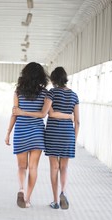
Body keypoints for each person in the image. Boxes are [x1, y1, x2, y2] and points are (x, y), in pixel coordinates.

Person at [13, 66, 79, 210]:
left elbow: (50, 113)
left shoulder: (51, 93)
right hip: (65, 133)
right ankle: (63, 192)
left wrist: (9, 130)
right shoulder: (73, 95)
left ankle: (53, 200)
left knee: (52, 167)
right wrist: (73, 132)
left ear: (53, 79)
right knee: (63, 167)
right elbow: (78, 121)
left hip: (52, 133)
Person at [5, 62, 49, 208]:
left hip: (21, 132)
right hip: (37, 133)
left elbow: (14, 114)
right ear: (41, 76)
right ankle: (27, 199)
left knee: (21, 166)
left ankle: (21, 188)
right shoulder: (44, 93)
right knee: (33, 167)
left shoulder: (18, 92)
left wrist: (8, 133)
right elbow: (43, 114)